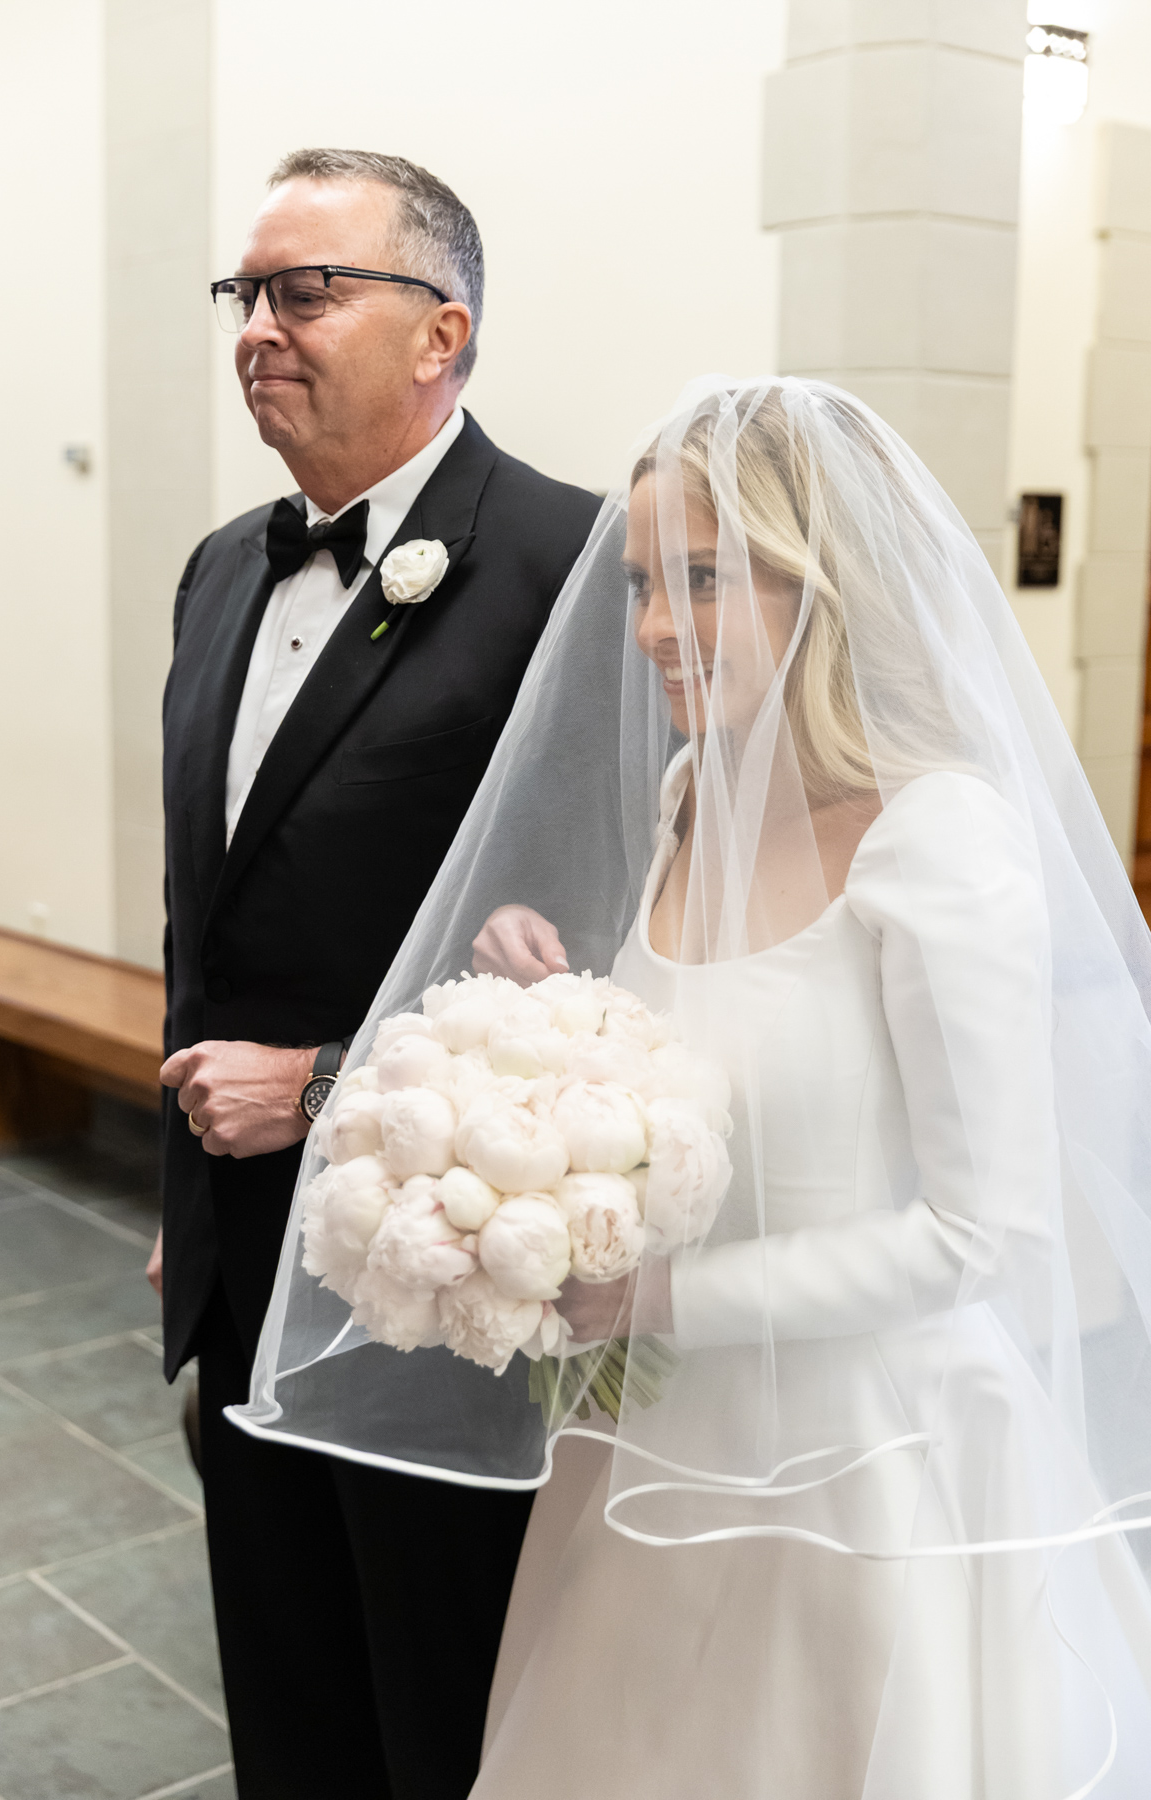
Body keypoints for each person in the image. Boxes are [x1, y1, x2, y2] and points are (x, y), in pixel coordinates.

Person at [236, 377, 1151, 1796]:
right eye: (644, 584)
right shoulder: (691, 800)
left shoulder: (938, 839)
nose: (656, 627)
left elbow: (985, 1237)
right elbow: (700, 1073)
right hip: (649, 1432)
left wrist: (659, 1299)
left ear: (827, 584)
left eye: (706, 580)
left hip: (856, 1465)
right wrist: (553, 1006)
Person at [148, 146, 600, 1800]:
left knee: (438, 1703)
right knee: (287, 1694)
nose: (259, 326)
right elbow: (210, 917)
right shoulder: (221, 566)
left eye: (309, 290)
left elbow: (603, 951)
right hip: (238, 1234)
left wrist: (330, 1086)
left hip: (447, 1260)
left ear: (441, 331)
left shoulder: (572, 564)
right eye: (247, 292)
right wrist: (186, 1202)